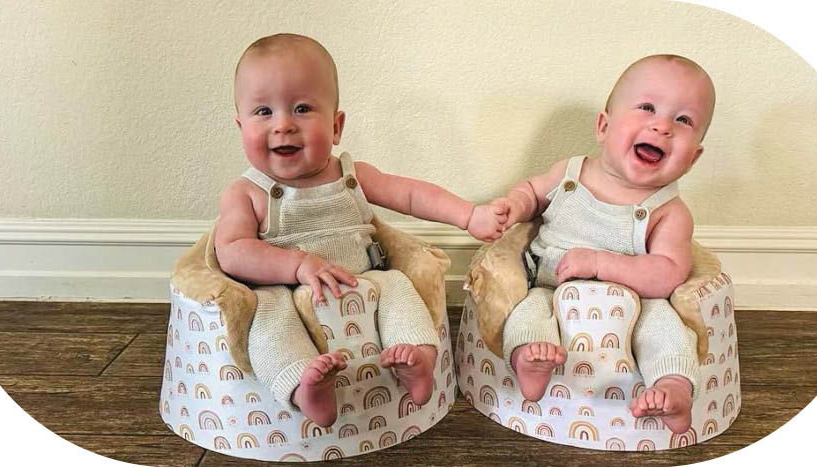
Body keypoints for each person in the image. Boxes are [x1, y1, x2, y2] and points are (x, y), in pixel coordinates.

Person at [214, 33, 504, 427]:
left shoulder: (350, 175)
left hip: (363, 281)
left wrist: (469, 216)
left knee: (400, 286)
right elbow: (231, 250)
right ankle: (303, 385)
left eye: (301, 108)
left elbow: (412, 194)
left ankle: (418, 359)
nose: (282, 126)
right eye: (263, 112)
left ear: (336, 126)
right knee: (266, 318)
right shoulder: (247, 193)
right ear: (240, 125)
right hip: (281, 289)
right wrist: (296, 265)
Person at [473, 55, 715, 434]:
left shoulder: (668, 211)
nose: (663, 125)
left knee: (665, 327)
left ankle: (674, 387)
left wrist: (602, 264)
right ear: (604, 126)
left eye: (683, 120)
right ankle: (529, 360)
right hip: (550, 287)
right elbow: (533, 193)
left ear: (694, 157)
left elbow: (668, 274)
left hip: (636, 304)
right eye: (647, 107)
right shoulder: (571, 173)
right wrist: (512, 205)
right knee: (526, 311)